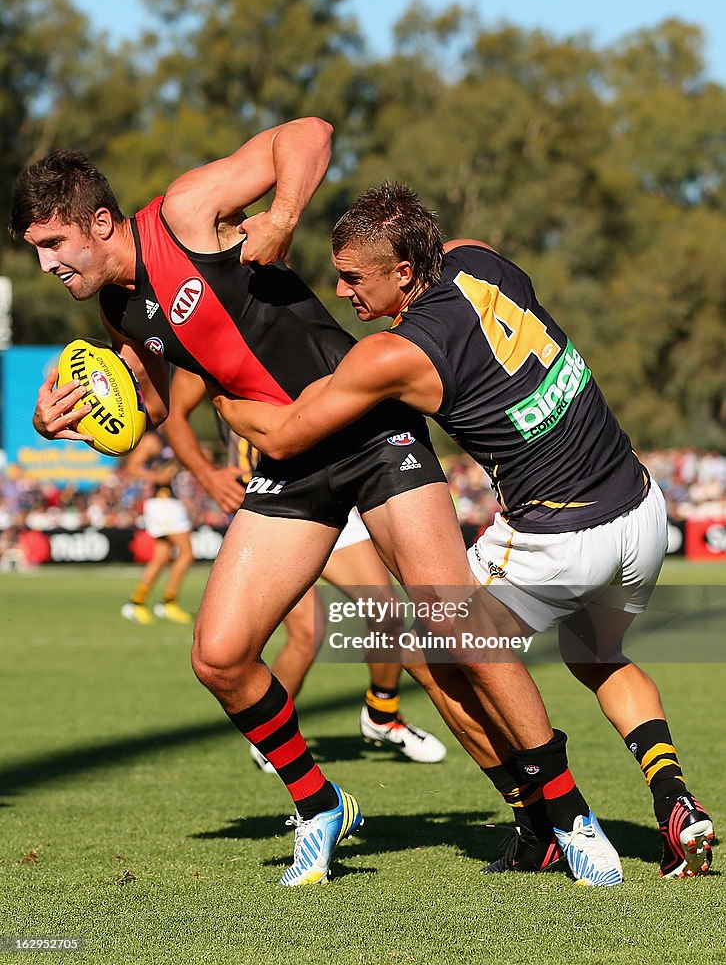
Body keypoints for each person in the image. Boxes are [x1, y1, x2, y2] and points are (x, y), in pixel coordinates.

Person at [14, 120, 619, 888]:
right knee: (219, 656)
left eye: (54, 243)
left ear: (100, 223)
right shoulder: (117, 310)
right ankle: (320, 801)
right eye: (37, 250)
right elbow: (153, 402)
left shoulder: (185, 212)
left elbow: (307, 133)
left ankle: (565, 814)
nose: (46, 263)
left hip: (367, 430)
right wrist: (75, 421)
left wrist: (284, 211)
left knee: (451, 625)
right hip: (289, 463)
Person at [209, 180, 715, 881]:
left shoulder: (393, 355)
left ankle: (544, 820)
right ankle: (675, 798)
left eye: (356, 278)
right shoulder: (479, 257)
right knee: (596, 655)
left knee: (434, 648)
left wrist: (215, 393)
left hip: (560, 533)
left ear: (405, 272)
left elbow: (289, 434)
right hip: (640, 509)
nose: (344, 291)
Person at [164, 366, 447, 766]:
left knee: (387, 613)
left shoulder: (300, 321)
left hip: (332, 486)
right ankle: (273, 739)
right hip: (275, 501)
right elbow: (172, 414)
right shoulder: (205, 343)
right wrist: (208, 476)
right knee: (308, 631)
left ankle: (382, 715)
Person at [120, 427, 195, 625]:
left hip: (168, 502)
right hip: (163, 503)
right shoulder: (153, 440)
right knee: (187, 553)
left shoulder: (173, 437)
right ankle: (168, 602)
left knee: (162, 557)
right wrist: (157, 478)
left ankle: (136, 602)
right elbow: (132, 466)